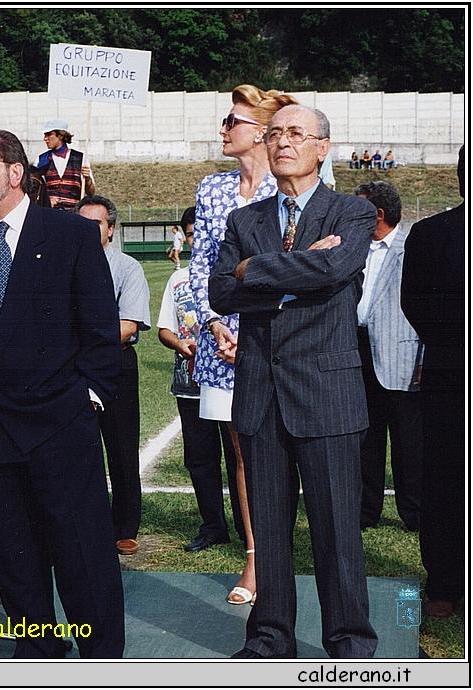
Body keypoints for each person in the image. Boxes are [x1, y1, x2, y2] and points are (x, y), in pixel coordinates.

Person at [0, 130, 123, 658]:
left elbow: (101, 331)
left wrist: (87, 397)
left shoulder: (69, 234)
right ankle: (39, 650)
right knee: (15, 555)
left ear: (15, 172)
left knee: (80, 552)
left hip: (60, 423)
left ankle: (102, 658)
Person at [210, 104, 379, 659]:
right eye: (276, 132)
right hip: (260, 393)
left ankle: (350, 644)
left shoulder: (351, 213)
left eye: (297, 133)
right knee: (271, 533)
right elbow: (220, 293)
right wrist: (295, 268)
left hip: (326, 393)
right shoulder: (245, 220)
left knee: (336, 534)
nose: (283, 142)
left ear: (323, 146)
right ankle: (268, 640)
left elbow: (334, 273)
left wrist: (252, 270)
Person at [190, 84, 297, 607]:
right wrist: (213, 321)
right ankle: (256, 557)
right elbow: (201, 267)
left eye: (231, 122)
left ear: (260, 131)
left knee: (284, 446)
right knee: (241, 450)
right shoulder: (211, 191)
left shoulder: (292, 189)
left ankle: (285, 552)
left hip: (278, 337)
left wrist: (251, 322)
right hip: (221, 341)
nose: (223, 130)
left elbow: (295, 268)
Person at [156, 206, 244, 553]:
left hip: (227, 379)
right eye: (191, 234)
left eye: (201, 234)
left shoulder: (232, 277)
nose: (196, 240)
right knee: (200, 457)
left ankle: (246, 528)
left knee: (239, 456)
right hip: (190, 383)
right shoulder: (178, 279)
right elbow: (165, 328)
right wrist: (180, 344)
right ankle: (212, 526)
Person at [400, 145, 464, 619]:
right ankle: (444, 582)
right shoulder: (429, 234)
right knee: (445, 481)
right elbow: (414, 304)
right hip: (450, 376)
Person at [76, 194, 150, 556]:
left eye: (97, 224)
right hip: (73, 368)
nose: (88, 231)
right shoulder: (63, 264)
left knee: (121, 449)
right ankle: (85, 524)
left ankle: (125, 526)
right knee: (76, 450)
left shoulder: (127, 268)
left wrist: (81, 333)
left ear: (111, 229)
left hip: (115, 365)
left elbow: (128, 324)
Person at [353, 181, 422, 532]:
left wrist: (425, 356)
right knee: (367, 440)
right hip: (359, 352)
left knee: (409, 444)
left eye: (360, 208)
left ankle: (415, 515)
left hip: (403, 358)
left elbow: (429, 307)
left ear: (378, 214)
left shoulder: (415, 247)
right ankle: (367, 512)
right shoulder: (355, 247)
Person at [35, 118, 96, 211]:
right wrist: (47, 200)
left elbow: (91, 193)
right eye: (44, 135)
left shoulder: (81, 158)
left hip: (73, 215)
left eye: (49, 134)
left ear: (60, 136)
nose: (45, 139)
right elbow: (34, 190)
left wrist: (87, 179)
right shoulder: (41, 160)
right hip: (49, 213)